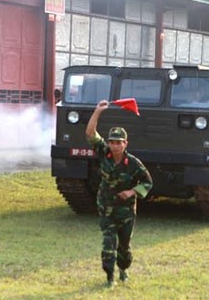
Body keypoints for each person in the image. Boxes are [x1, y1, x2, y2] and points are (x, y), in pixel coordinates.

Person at [85, 100, 153, 288]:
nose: (114, 146)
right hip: (106, 207)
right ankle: (109, 277)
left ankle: (123, 269)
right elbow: (90, 134)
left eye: (118, 143)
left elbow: (148, 182)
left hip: (126, 211)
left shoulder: (133, 163)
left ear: (125, 144)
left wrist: (132, 191)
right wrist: (97, 111)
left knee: (124, 247)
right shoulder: (103, 152)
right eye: (112, 142)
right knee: (108, 244)